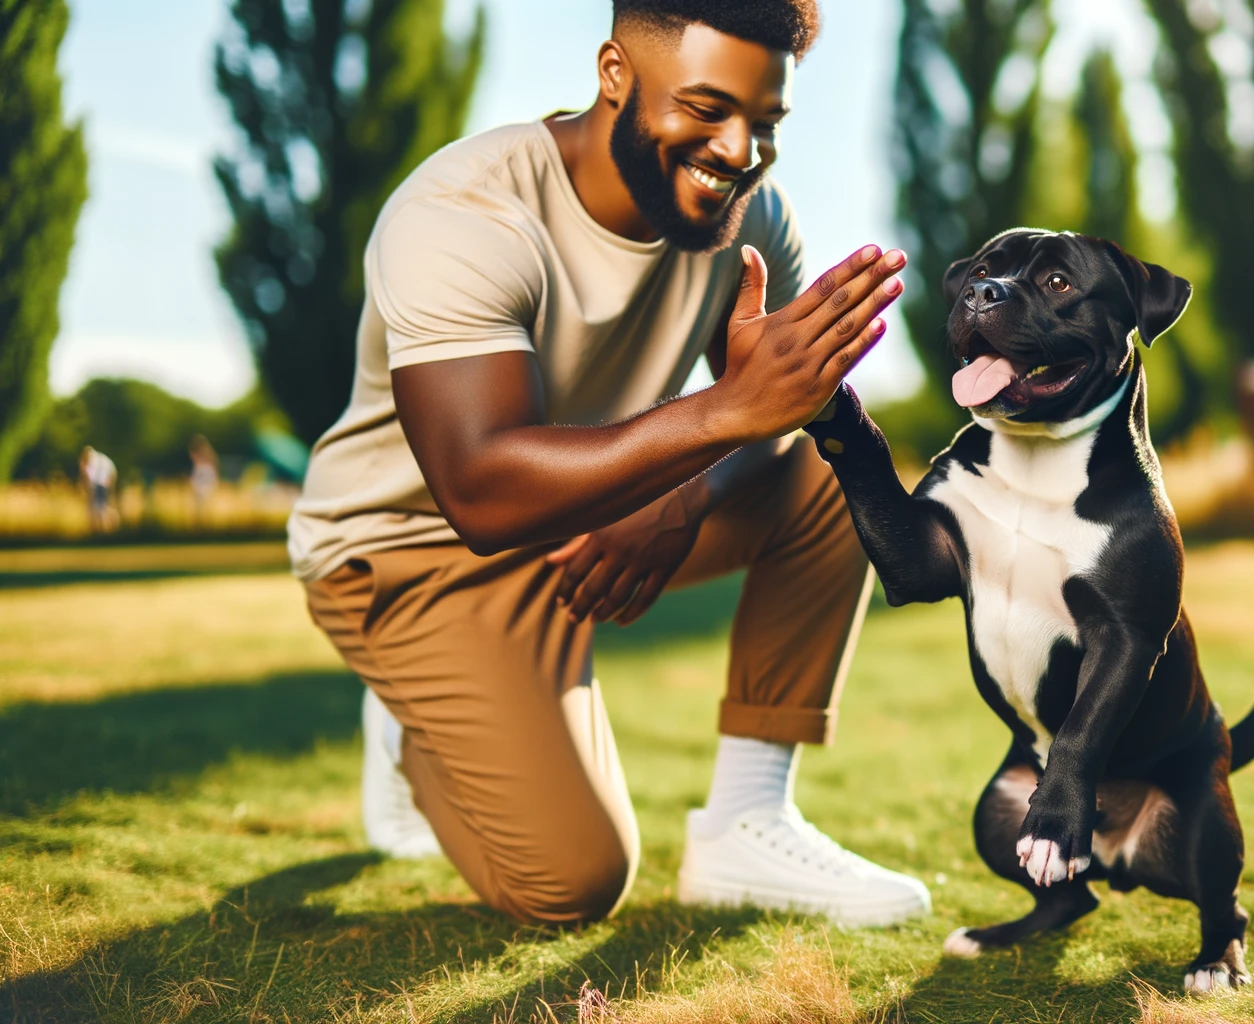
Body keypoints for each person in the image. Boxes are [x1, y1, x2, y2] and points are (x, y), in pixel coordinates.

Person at [287, 0, 928, 927]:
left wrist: (689, 483)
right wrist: (710, 425)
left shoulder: (751, 220)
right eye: (706, 109)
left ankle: (748, 823)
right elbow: (479, 491)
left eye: (765, 121)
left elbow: (778, 415)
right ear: (615, 74)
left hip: (589, 515)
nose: (740, 148)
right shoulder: (463, 214)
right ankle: (415, 724)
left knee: (841, 471)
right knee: (572, 884)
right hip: (410, 555)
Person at [78, 446, 118, 533]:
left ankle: (101, 529)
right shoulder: (99, 458)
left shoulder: (92, 462)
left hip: (101, 484)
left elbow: (91, 480)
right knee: (103, 506)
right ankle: (106, 527)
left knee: (100, 507)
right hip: (105, 483)